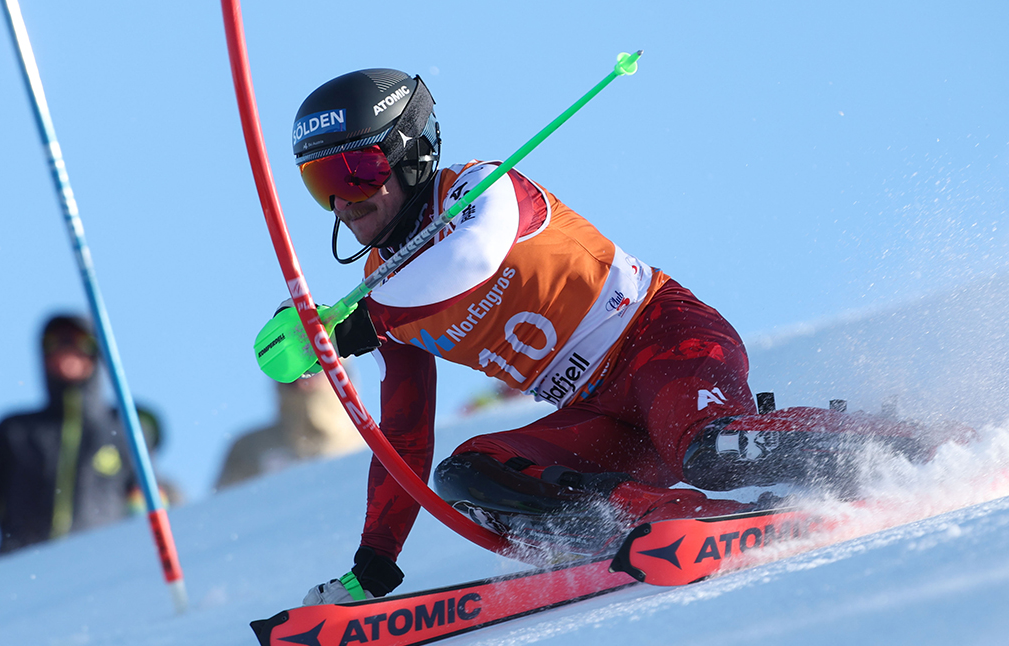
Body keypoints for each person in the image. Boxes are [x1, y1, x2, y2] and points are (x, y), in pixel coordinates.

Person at [286, 69, 947, 605]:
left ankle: (922, 443)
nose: (345, 202)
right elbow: (404, 436)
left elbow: (471, 262)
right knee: (472, 474)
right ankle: (670, 515)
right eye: (323, 185)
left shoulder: (483, 191)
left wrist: (363, 323)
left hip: (663, 342)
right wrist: (375, 559)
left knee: (711, 449)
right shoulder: (383, 291)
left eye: (357, 172)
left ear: (410, 153)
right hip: (600, 414)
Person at [0, 314, 177, 559]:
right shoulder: (15, 432)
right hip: (22, 571)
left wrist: (144, 559)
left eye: (78, 341)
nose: (67, 351)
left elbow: (149, 504)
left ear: (95, 352)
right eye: (55, 342)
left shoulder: (123, 429)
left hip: (97, 570)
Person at [215, 374, 365, 491]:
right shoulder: (250, 448)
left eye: (314, 371)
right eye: (292, 376)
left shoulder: (369, 449)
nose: (303, 382)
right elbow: (223, 515)